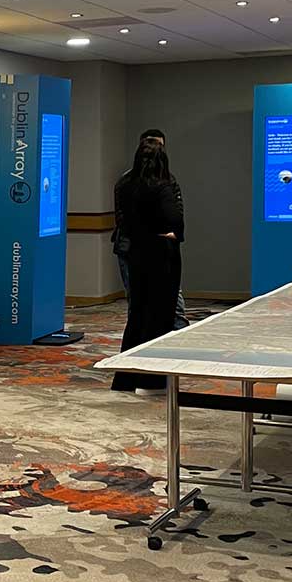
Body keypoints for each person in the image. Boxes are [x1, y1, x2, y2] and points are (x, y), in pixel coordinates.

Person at [111, 139, 185, 393]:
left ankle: (126, 378)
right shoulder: (162, 185)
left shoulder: (125, 184)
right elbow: (175, 219)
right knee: (160, 316)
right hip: (160, 255)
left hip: (135, 253)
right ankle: (151, 381)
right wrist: (173, 234)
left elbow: (122, 220)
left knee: (137, 315)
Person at [114, 129, 188, 331]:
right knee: (145, 302)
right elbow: (175, 217)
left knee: (154, 303)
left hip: (138, 246)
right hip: (138, 248)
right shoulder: (132, 182)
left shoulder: (164, 181)